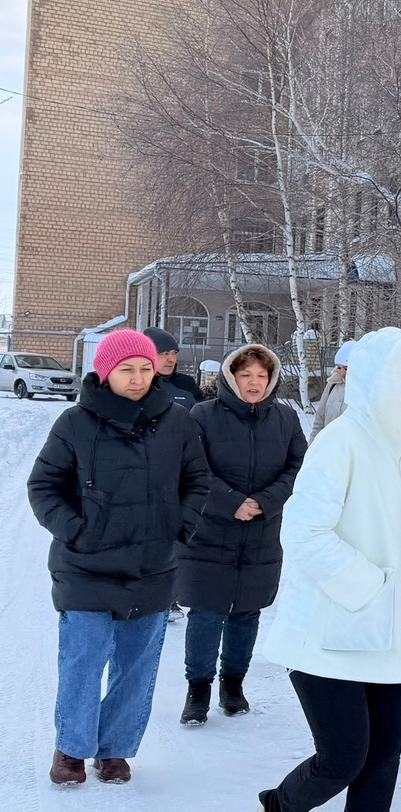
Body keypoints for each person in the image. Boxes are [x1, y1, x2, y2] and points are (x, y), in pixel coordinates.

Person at [256, 323, 401, 812]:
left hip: (392, 637)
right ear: (390, 381)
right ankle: (280, 805)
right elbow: (303, 533)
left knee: (383, 761)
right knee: (343, 760)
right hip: (332, 636)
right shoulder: (342, 441)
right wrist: (369, 586)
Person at [27, 329, 209, 787]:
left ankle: (115, 750)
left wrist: (178, 530)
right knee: (83, 662)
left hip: (152, 567)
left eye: (145, 368)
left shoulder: (177, 421)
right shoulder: (75, 422)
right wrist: (77, 530)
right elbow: (44, 486)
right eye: (127, 369)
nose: (138, 377)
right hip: (85, 567)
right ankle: (71, 749)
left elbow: (198, 480)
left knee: (137, 667)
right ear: (106, 372)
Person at [177, 343, 309, 725]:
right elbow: (192, 468)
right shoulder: (202, 415)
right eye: (246, 375)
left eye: (261, 376)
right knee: (206, 613)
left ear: (272, 379)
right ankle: (198, 691)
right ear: (230, 377)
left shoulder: (286, 419)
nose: (254, 382)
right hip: (209, 531)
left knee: (246, 613)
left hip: (262, 533)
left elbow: (299, 467)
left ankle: (233, 686)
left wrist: (266, 501)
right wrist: (230, 501)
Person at [143, 327, 203, 409]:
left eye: (174, 353)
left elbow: (203, 413)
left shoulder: (185, 383)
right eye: (165, 353)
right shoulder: (136, 385)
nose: (172, 359)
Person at [309, 340, 355, 442]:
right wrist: (312, 445)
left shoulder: (364, 390)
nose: (342, 373)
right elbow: (319, 420)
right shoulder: (332, 384)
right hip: (327, 445)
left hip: (350, 449)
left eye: (346, 368)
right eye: (339, 367)